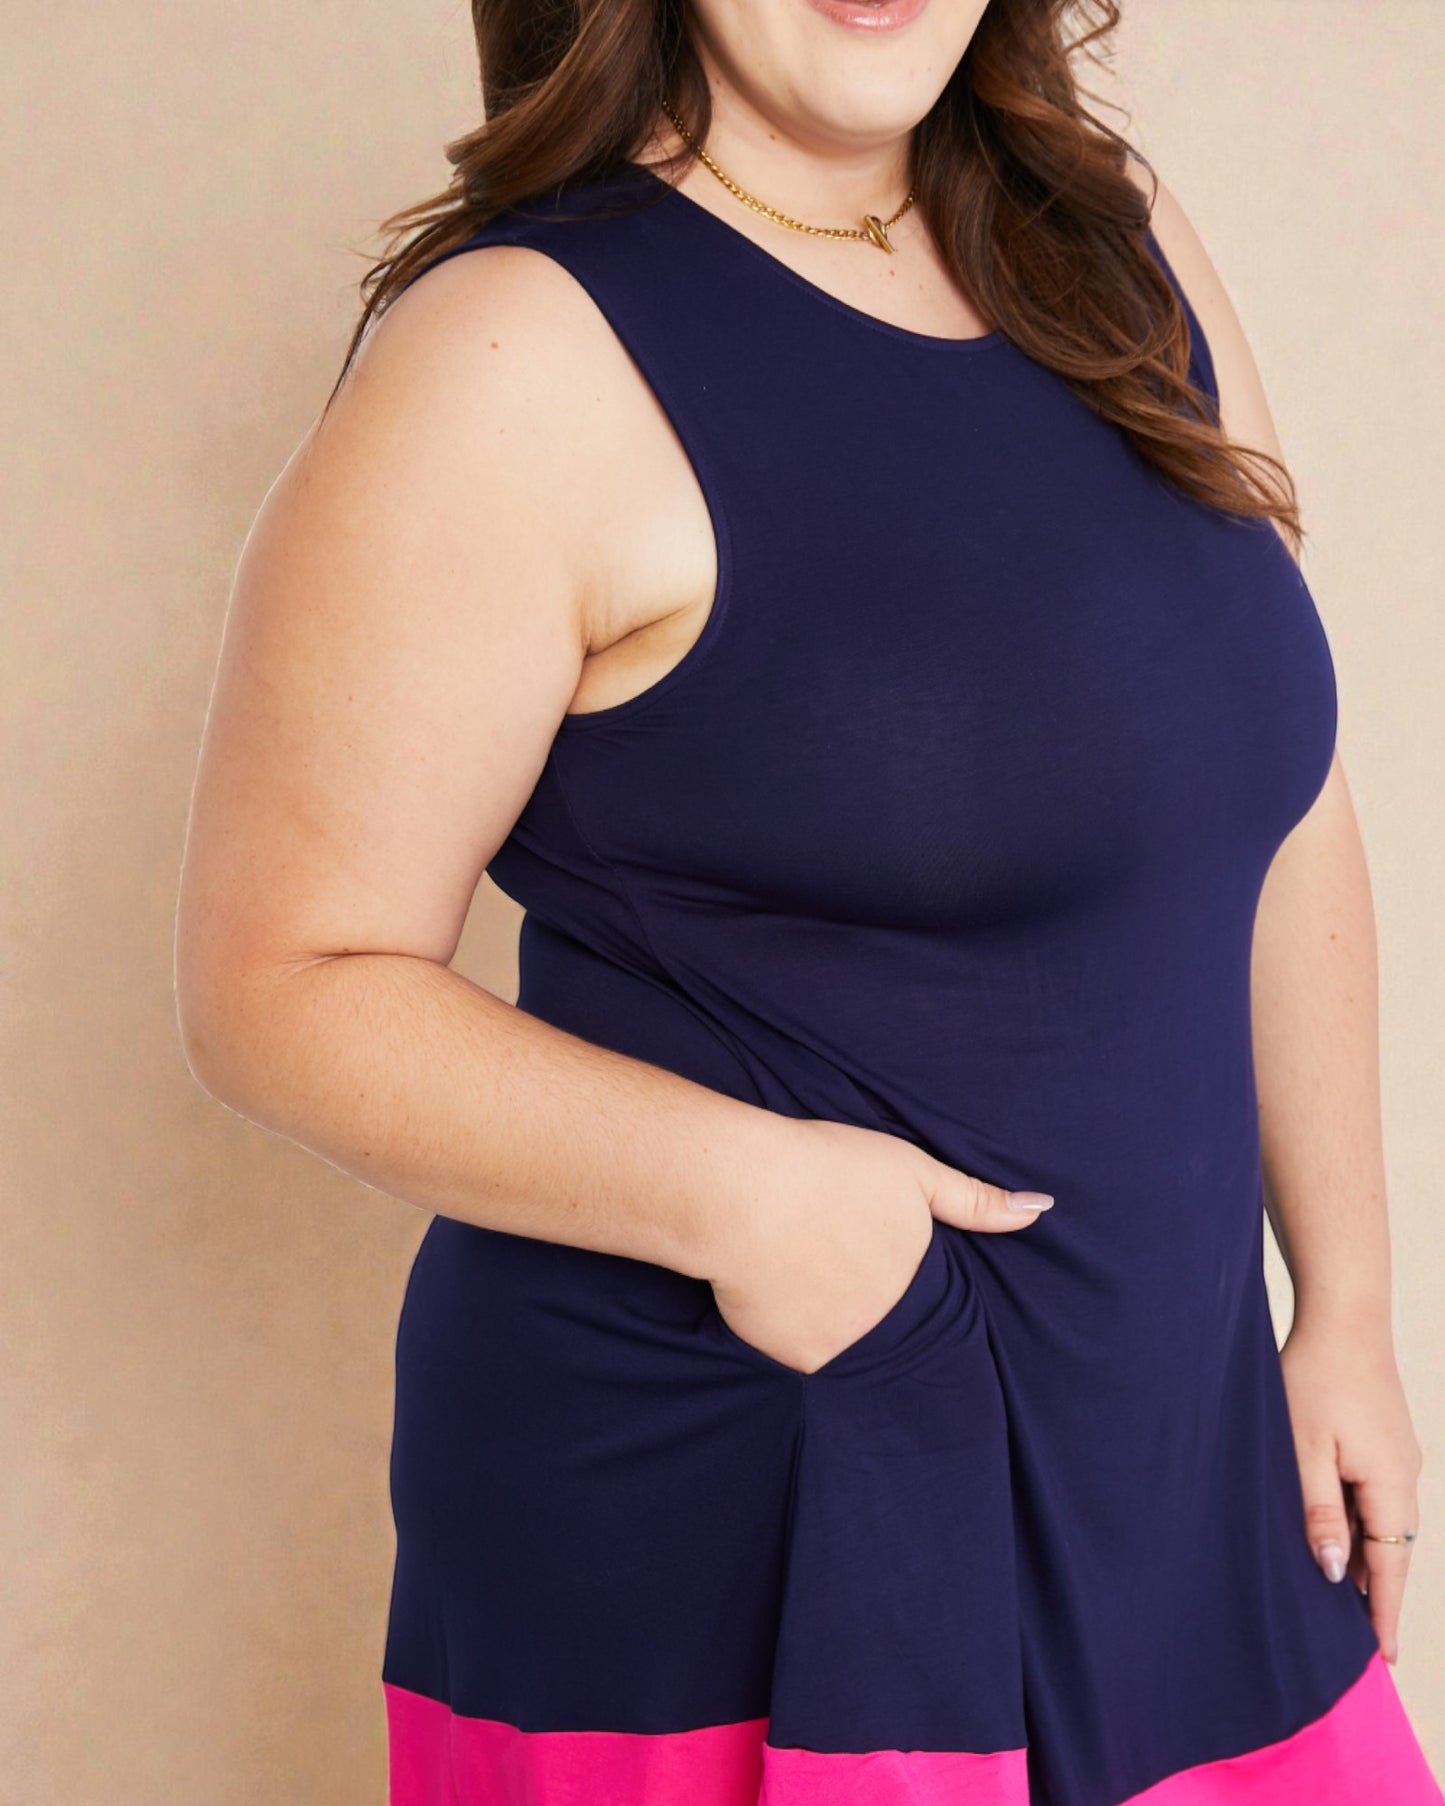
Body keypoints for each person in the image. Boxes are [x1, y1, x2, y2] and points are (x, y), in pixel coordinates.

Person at [174, 0, 1442, 1800]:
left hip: (1179, 1463)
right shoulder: (515, 355)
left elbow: (1267, 789)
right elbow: (275, 977)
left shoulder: (1116, 245)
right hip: (745, 1520)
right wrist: (751, 1199)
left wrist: (1347, 1308)